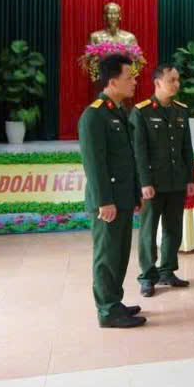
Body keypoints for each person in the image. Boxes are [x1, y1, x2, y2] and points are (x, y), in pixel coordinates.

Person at [78, 53, 145, 328]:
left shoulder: (119, 112)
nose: (135, 82)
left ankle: (115, 302)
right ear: (113, 81)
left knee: (119, 254)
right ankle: (107, 311)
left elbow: (129, 158)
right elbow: (95, 165)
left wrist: (135, 193)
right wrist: (104, 201)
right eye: (129, 77)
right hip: (108, 201)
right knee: (107, 256)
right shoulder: (94, 115)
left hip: (123, 197)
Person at [129, 64, 194, 298]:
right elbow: (139, 152)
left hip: (176, 180)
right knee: (148, 231)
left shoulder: (180, 111)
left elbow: (186, 148)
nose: (177, 84)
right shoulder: (141, 112)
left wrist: (190, 178)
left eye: (177, 80)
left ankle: (167, 270)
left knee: (173, 228)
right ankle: (148, 276)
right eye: (171, 80)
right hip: (153, 183)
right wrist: (144, 182)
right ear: (157, 83)